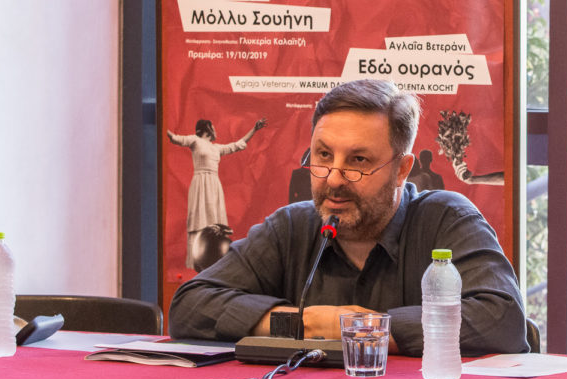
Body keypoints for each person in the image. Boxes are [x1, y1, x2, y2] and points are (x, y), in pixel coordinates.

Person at [169, 79, 529, 356]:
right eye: (323, 156)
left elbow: (502, 319)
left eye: (358, 160)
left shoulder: (447, 219)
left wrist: (364, 328)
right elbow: (189, 306)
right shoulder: (290, 227)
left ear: (402, 170)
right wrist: (305, 323)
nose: (334, 179)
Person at [167, 116, 267, 269]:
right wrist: (162, 124)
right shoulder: (195, 140)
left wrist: (254, 129)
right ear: (207, 128)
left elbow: (237, 145)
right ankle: (197, 259)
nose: (216, 130)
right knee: (199, 218)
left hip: (214, 185)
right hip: (200, 183)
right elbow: (175, 138)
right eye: (213, 127)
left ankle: (213, 258)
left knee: (214, 220)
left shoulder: (216, 148)